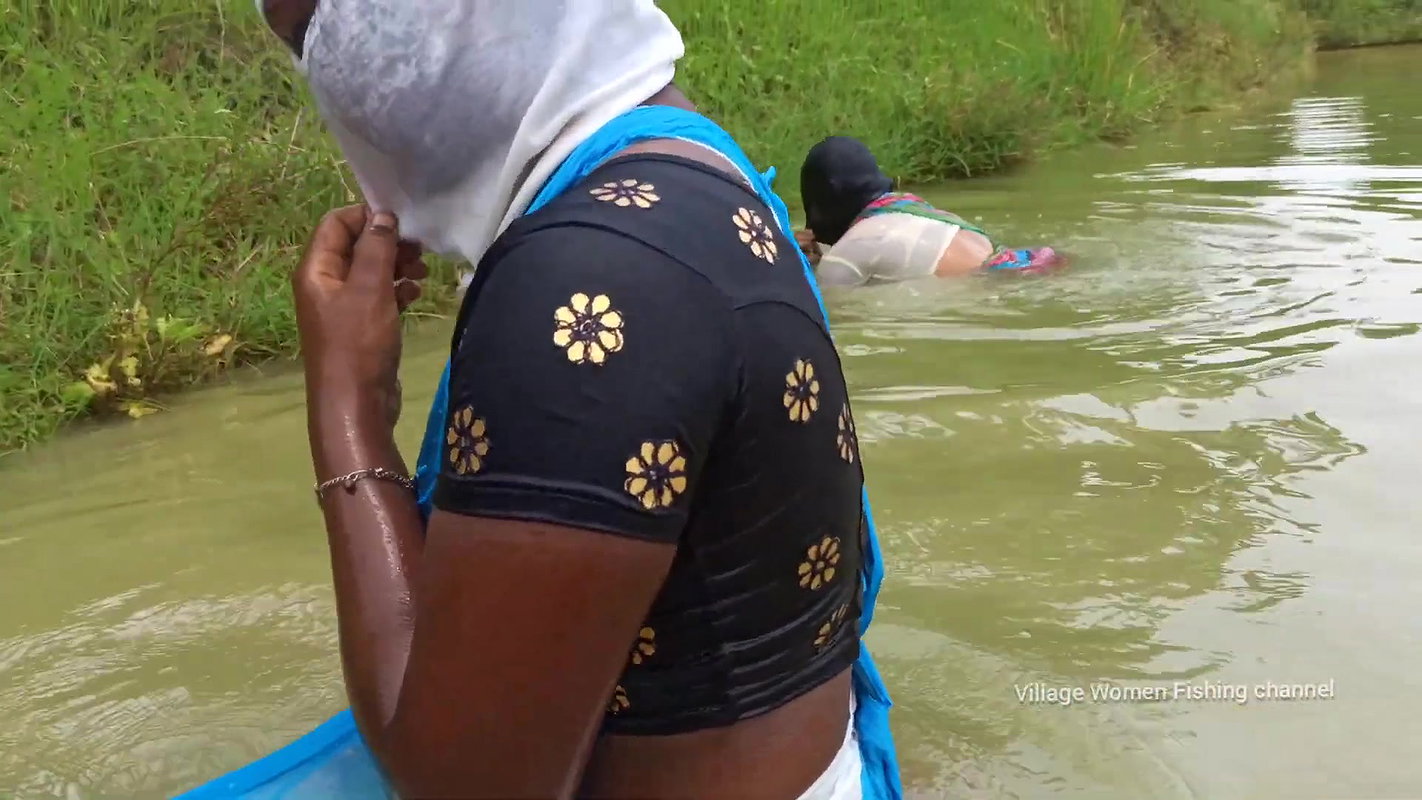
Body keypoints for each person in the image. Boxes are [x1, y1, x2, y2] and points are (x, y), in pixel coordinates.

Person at [261, 1, 900, 799]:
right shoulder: (689, 163)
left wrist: (347, 409)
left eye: (312, 33)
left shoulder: (584, 283)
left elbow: (467, 787)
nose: (319, 74)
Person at [796, 136, 1066, 286]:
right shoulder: (911, 208)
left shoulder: (850, 251)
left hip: (982, 289)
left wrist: (795, 264)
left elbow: (829, 311)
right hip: (1020, 267)